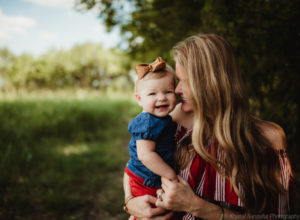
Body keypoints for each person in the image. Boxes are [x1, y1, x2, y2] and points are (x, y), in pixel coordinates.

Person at [123, 34, 294, 219]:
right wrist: (130, 201)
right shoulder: (175, 119)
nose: (178, 90)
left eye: (186, 82)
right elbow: (137, 160)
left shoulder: (268, 138)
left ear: (212, 83)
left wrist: (197, 206)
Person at [124, 57, 178, 213]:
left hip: (152, 178)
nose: (161, 97)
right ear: (139, 99)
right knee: (154, 213)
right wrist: (170, 175)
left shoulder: (163, 119)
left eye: (168, 91)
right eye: (152, 94)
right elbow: (145, 155)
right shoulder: (147, 122)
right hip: (144, 181)